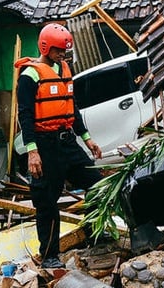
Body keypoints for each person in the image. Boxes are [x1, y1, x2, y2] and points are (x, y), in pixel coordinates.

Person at [15, 23, 103, 268]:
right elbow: (25, 116)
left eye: (64, 51)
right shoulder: (30, 75)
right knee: (47, 203)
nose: (62, 55)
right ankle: (50, 256)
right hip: (44, 146)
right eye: (58, 51)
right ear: (45, 47)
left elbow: (71, 108)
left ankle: (95, 237)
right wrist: (32, 151)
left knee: (97, 185)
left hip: (68, 143)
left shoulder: (64, 69)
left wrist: (88, 139)